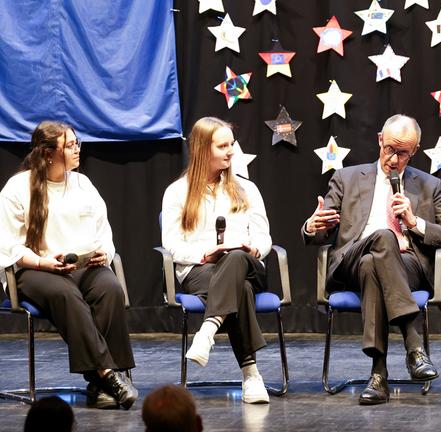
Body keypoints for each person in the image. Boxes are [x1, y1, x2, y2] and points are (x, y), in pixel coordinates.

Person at [301, 114, 441, 405]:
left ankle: (378, 376)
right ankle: (413, 345)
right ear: (380, 140)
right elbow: (318, 232)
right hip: (349, 262)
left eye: (402, 152)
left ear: (414, 151)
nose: (393, 158)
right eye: (389, 148)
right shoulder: (346, 178)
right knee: (382, 238)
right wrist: (312, 226)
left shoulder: (429, 186)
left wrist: (415, 222)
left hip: (405, 266)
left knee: (373, 264)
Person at [0, 121, 138, 409]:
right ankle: (108, 375)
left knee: (111, 288)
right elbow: (9, 245)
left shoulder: (82, 183)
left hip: (83, 267)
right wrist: (42, 262)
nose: (78, 150)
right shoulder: (18, 187)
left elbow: (103, 231)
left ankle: (99, 385)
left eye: (78, 143)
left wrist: (103, 252)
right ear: (49, 153)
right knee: (66, 294)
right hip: (35, 270)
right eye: (71, 145)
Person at [162, 117, 272, 404]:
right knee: (240, 289)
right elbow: (171, 244)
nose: (230, 151)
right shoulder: (176, 192)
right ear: (201, 149)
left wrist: (254, 249)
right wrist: (205, 254)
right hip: (200, 269)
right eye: (222, 146)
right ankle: (251, 375)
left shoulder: (247, 189)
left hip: (249, 267)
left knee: (236, 257)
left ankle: (207, 330)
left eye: (231, 144)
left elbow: (264, 238)